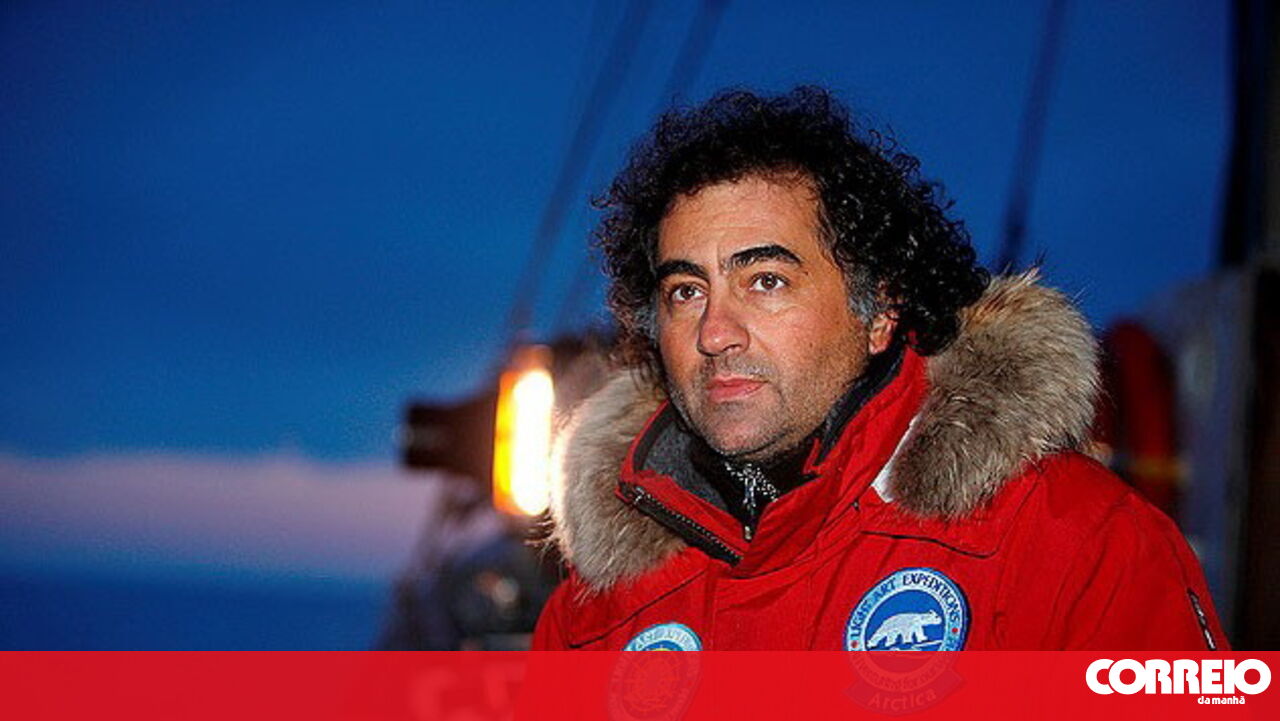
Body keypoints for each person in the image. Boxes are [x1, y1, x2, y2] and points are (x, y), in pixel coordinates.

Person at [531, 87, 1227, 650]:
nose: (715, 332)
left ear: (880, 312)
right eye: (686, 291)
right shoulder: (596, 613)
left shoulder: (1073, 543)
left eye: (766, 281)